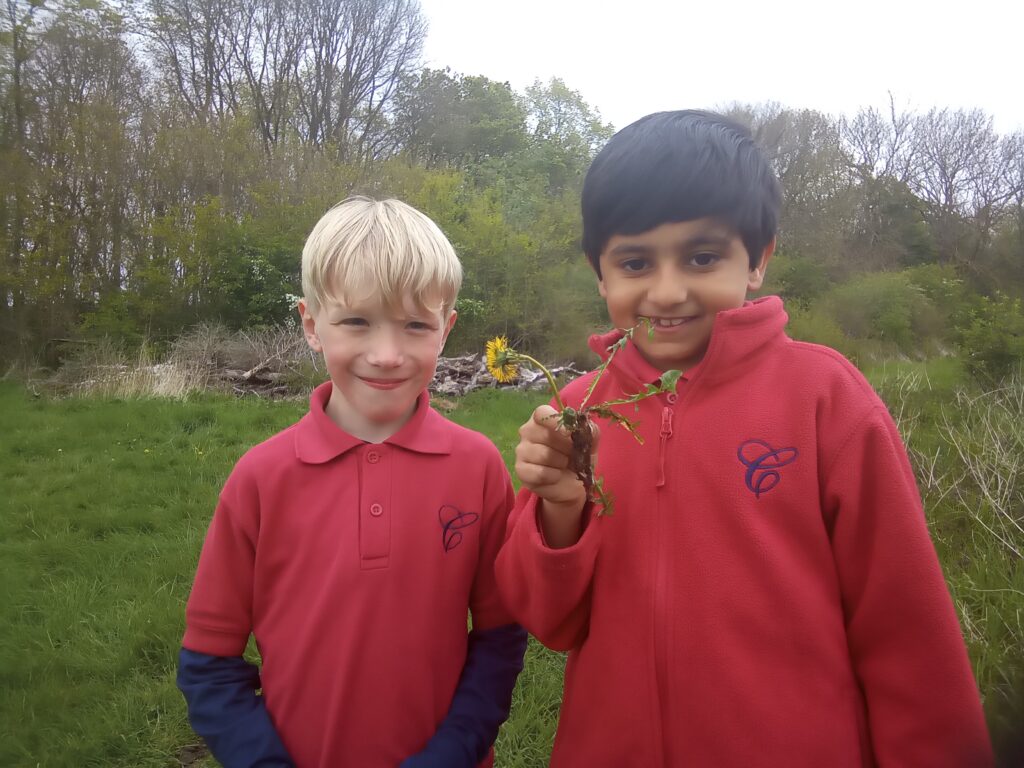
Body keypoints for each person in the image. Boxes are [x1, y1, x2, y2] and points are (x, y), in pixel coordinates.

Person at [495, 111, 992, 767]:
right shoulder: (577, 413)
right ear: (600, 273)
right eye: (636, 261)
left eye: (703, 257)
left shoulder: (826, 398)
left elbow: (907, 636)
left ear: (758, 259)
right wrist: (560, 507)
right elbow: (547, 620)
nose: (667, 291)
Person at [178, 196, 526, 768]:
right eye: (357, 321)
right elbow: (208, 665)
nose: (386, 355)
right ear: (313, 325)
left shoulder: (479, 466)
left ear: (446, 330)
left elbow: (499, 639)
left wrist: (451, 753)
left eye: (416, 325)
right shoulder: (261, 478)